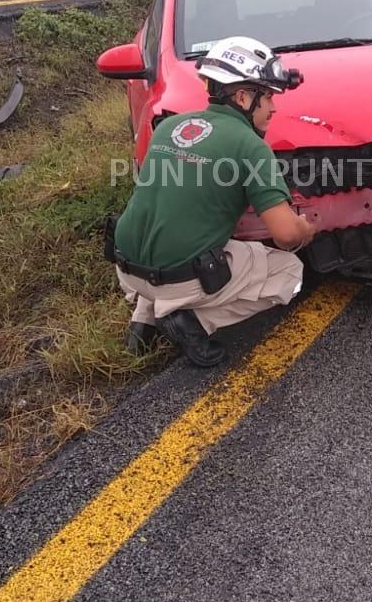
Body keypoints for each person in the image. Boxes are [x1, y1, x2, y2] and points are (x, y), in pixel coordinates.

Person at [110, 36, 317, 367]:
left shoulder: (169, 126)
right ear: (243, 96)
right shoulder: (250, 146)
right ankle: (191, 323)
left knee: (176, 236)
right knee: (290, 272)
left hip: (125, 265)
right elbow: (286, 235)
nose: (274, 108)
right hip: (179, 279)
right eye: (267, 97)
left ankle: (144, 318)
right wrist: (305, 230)